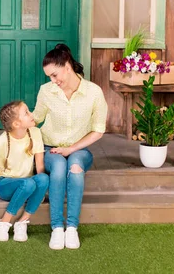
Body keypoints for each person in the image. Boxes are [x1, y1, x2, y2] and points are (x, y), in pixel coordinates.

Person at [33, 44, 108, 250]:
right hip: (50, 147)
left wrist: (72, 149)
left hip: (80, 150)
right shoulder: (46, 91)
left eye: (55, 75)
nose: (53, 81)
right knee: (58, 169)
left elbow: (98, 130)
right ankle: (57, 227)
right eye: (49, 76)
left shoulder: (93, 92)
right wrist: (18, 120)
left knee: (75, 168)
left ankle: (72, 227)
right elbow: (36, 118)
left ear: (67, 66)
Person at [0, 101, 49, 242]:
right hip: (4, 185)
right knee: (28, 184)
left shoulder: (35, 133)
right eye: (26, 113)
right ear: (16, 124)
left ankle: (22, 222)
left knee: (43, 179)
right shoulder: (1, 141)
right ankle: (4, 222)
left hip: (28, 184)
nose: (31, 115)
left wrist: (40, 191)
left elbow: (39, 166)